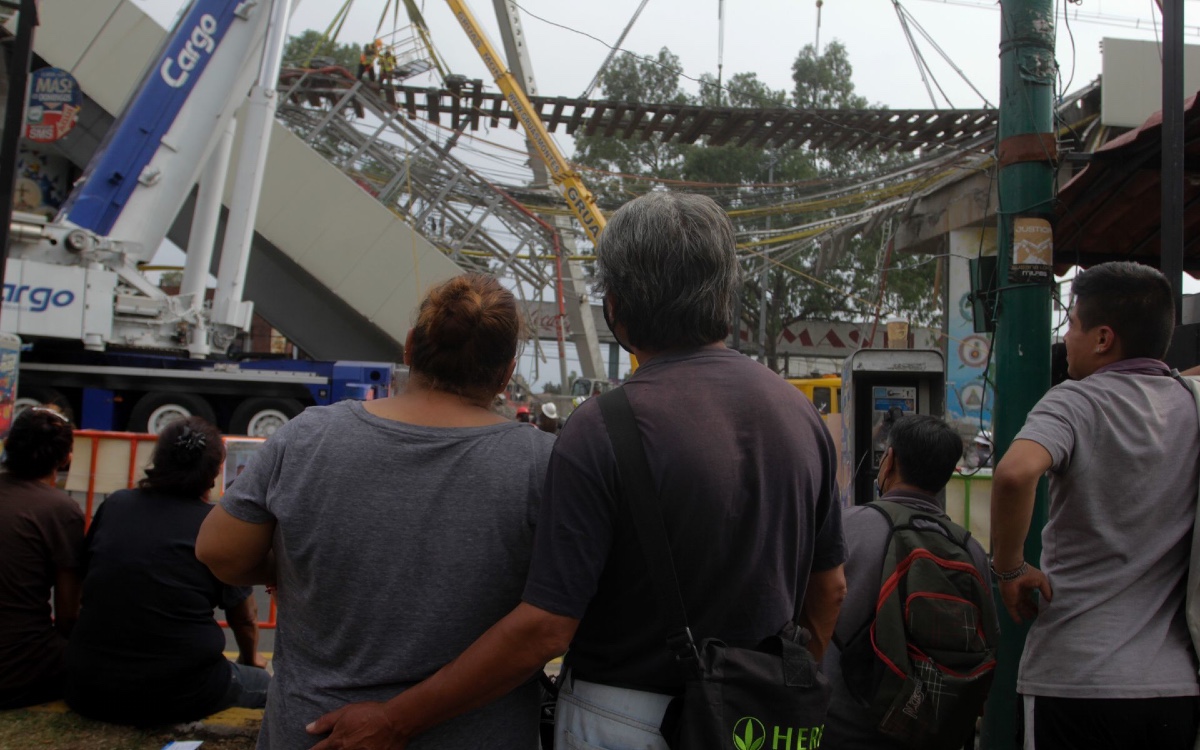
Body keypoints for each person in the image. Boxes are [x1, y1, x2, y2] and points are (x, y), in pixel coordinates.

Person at [305, 191, 847, 750]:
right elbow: (829, 589)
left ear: (614, 306)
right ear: (725, 293)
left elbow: (545, 628)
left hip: (624, 720)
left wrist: (395, 720)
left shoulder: (605, 426)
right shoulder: (800, 416)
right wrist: (775, 687)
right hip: (761, 718)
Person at [196, 273, 556, 750]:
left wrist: (293, 561)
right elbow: (547, 625)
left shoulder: (309, 435)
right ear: (506, 372)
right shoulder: (542, 464)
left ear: (410, 347)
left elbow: (219, 552)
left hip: (311, 730)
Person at [991, 261, 1200, 750]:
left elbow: (1015, 472)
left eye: (1072, 325)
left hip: (1076, 677)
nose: (1067, 338)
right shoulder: (1191, 403)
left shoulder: (1074, 402)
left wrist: (1009, 569)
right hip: (1171, 687)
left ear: (1104, 339)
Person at [65, 417, 269, 725]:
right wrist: (251, 659)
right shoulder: (214, 526)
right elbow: (244, 618)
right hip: (180, 692)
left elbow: (88, 577)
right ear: (214, 474)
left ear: (158, 460)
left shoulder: (117, 505)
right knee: (273, 689)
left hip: (87, 685)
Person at [823, 414, 996, 749]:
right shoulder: (968, 548)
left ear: (889, 461)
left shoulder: (848, 527)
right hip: (929, 728)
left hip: (847, 725)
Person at [0, 408, 82, 709]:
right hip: (20, 668)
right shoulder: (59, 509)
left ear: (8, 446)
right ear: (65, 459)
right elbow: (68, 615)